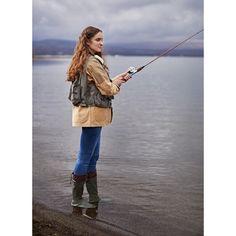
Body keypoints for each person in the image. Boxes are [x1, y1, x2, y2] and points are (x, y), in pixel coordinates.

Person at [67, 26, 131, 212]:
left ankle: (93, 197)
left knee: (92, 157)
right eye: (97, 40)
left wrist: (117, 79)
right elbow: (108, 89)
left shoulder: (87, 60)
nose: (101, 43)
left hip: (93, 114)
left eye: (102, 39)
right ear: (87, 41)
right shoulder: (93, 62)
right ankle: (77, 199)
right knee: (85, 157)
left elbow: (101, 83)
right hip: (92, 115)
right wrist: (117, 84)